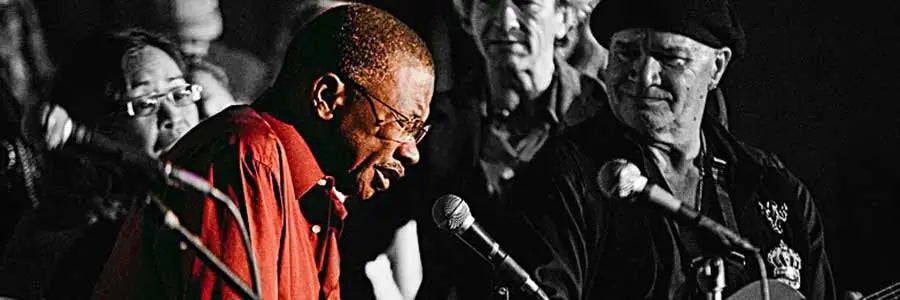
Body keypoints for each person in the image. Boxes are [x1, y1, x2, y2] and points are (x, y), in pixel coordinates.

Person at [92, 3, 435, 300]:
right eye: (403, 123)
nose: (412, 152)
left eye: (418, 132)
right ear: (328, 97)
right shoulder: (244, 155)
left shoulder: (317, 196)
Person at [506, 0, 836, 299]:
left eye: (670, 57)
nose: (644, 74)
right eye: (626, 52)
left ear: (717, 67)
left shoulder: (775, 189)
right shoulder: (564, 177)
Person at [337, 0, 606, 298]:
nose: (505, 20)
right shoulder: (434, 123)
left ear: (565, 17)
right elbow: (352, 243)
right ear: (466, 16)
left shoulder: (598, 117)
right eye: (488, 3)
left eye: (526, 3)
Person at [0, 29, 201, 299]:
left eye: (179, 93)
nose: (173, 116)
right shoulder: (66, 241)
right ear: (95, 128)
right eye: (144, 104)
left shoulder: (208, 205)